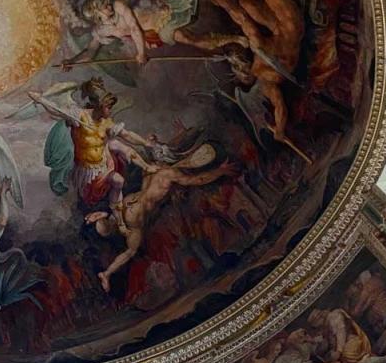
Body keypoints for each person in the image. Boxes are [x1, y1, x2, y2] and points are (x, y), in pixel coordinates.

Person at [204, 0, 311, 143]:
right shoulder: (267, 82)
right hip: (290, 26)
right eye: (241, 73)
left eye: (238, 70)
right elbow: (280, 105)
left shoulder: (256, 57)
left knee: (248, 3)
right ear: (247, 84)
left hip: (277, 28)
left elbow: (244, 19)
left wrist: (225, 3)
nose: (240, 70)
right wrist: (279, 129)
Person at [84, 145, 237, 291]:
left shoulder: (145, 176)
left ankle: (107, 274)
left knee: (131, 251)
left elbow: (111, 208)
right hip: (140, 218)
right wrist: (220, 171)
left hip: (135, 216)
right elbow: (197, 180)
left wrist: (97, 216)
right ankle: (107, 274)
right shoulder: (163, 173)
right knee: (131, 251)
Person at [30, 78, 157, 210]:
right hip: (86, 171)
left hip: (104, 165)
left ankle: (145, 168)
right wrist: (41, 100)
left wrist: (144, 143)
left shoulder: (107, 122)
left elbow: (127, 135)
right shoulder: (79, 116)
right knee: (112, 179)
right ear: (99, 105)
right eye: (108, 107)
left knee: (118, 153)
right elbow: (56, 111)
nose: (110, 111)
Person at [305, 307, 386, 363]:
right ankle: (382, 362)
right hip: (348, 344)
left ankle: (385, 359)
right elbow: (323, 338)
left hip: (350, 344)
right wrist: (311, 340)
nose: (317, 327)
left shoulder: (334, 317)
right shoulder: (327, 323)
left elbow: (341, 333)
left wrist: (339, 351)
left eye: (315, 325)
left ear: (319, 318)